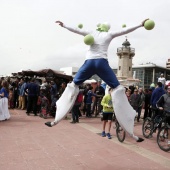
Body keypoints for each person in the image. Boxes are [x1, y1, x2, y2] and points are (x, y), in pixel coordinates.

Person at [45, 19, 149, 142]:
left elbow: (77, 30)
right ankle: (130, 131)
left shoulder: (91, 32)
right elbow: (124, 30)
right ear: (107, 28)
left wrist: (65, 25)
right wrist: (140, 24)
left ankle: (56, 119)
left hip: (89, 63)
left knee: (73, 85)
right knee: (118, 88)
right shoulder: (109, 34)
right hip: (101, 63)